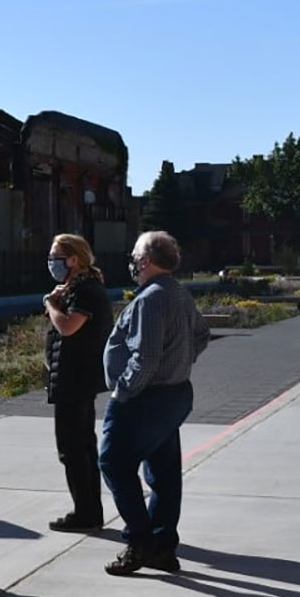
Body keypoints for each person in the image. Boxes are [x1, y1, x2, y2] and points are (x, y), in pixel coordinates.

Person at [98, 231, 209, 576]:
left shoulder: (150, 299)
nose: (132, 261)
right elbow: (202, 335)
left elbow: (144, 357)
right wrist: (180, 362)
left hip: (143, 398)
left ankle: (140, 542)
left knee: (114, 463)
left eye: (134, 256)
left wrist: (123, 390)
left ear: (146, 261)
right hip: (172, 395)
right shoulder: (179, 293)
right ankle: (163, 546)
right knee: (163, 473)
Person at [41, 234, 113, 533]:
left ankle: (85, 512)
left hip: (75, 380)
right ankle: (89, 509)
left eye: (57, 256)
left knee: (73, 449)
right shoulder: (78, 288)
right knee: (81, 447)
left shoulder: (85, 290)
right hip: (74, 378)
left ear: (74, 259)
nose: (52, 262)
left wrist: (50, 305)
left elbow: (68, 327)